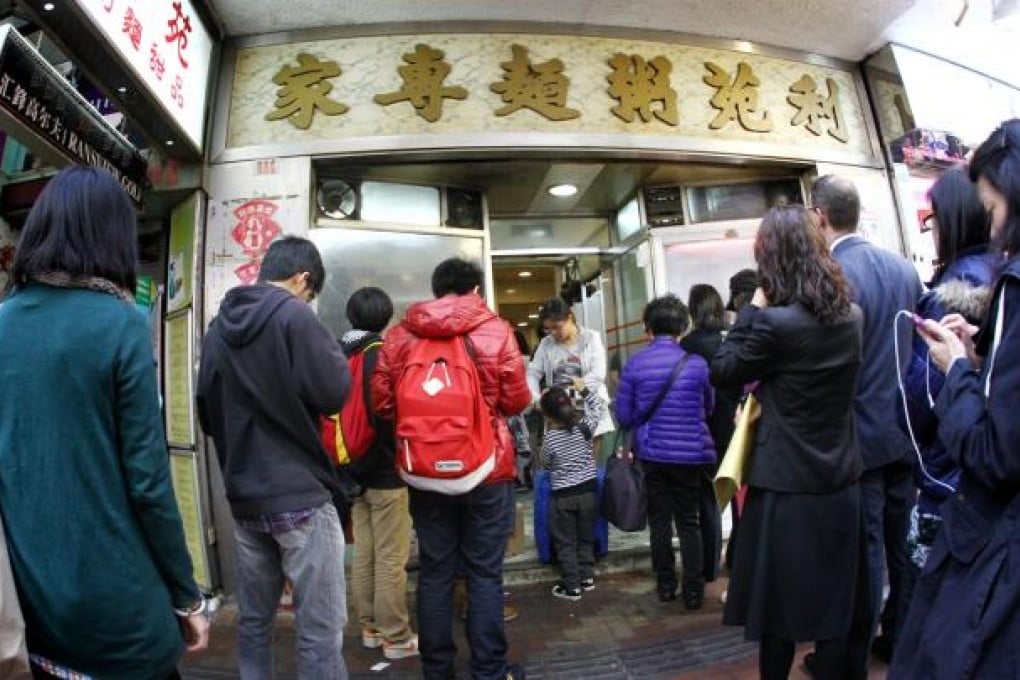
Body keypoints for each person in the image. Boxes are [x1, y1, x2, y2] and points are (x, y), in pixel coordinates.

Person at [0, 166, 208, 678]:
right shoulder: (118, 325)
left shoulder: (2, 322)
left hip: (29, 605)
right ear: (113, 236)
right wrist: (187, 597)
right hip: (118, 612)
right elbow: (148, 482)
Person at [711, 205, 869, 680]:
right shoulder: (853, 316)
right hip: (841, 479)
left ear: (772, 257)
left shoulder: (775, 323)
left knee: (777, 610)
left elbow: (723, 370)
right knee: (836, 604)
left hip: (784, 485)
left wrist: (751, 308)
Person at [892, 119, 1020, 679]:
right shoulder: (998, 287)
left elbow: (996, 449)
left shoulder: (1005, 289)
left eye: (994, 209)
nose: (996, 231)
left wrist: (959, 370)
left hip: (978, 516)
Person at [196, 236, 352, 679]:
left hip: (246, 499)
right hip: (300, 494)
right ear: (303, 279)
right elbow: (334, 394)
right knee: (319, 630)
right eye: (311, 291)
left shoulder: (217, 326)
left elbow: (207, 410)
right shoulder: (294, 317)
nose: (308, 299)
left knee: (254, 621)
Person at [372, 258, 531, 680]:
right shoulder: (496, 330)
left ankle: (437, 671)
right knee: (484, 572)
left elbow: (383, 403)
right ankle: (490, 670)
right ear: (475, 290)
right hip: (488, 469)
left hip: (424, 473)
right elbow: (517, 401)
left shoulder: (401, 334)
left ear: (437, 289)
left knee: (436, 571)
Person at [810, 174, 923, 668]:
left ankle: (848, 661)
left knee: (866, 551)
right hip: (906, 429)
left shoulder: (831, 275)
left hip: (858, 436)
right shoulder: (902, 268)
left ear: (820, 217)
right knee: (902, 543)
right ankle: (901, 636)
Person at [895, 166, 997, 657]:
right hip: (983, 483)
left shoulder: (951, 295)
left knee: (932, 628)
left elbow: (923, 397)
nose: (930, 228)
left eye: (932, 218)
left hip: (947, 479)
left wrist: (946, 365)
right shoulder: (1001, 279)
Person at [616, 294, 716, 608]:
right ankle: (694, 590)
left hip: (653, 455)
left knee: (659, 520)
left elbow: (625, 416)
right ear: (683, 327)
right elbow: (709, 406)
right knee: (689, 521)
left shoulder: (635, 364)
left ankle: (666, 584)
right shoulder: (697, 364)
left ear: (648, 327)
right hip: (691, 455)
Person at [341, 287, 418, 660]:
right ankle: (396, 637)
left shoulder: (338, 353)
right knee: (390, 557)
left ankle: (369, 627)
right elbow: (386, 414)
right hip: (385, 472)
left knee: (365, 553)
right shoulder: (379, 355)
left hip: (352, 471)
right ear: (386, 317)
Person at [538, 381, 605, 601]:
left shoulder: (550, 439)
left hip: (563, 499)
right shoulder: (584, 429)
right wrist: (584, 388)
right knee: (586, 537)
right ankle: (587, 577)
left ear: (548, 416)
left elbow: (545, 465)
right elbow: (599, 407)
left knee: (566, 542)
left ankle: (572, 586)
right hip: (588, 494)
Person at [528, 297, 615, 444]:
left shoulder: (591, 338)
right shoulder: (546, 343)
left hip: (588, 412)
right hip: (558, 414)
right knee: (560, 462)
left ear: (569, 318)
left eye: (557, 327)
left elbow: (598, 374)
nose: (553, 332)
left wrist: (568, 394)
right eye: (548, 329)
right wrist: (536, 398)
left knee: (588, 464)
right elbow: (533, 373)